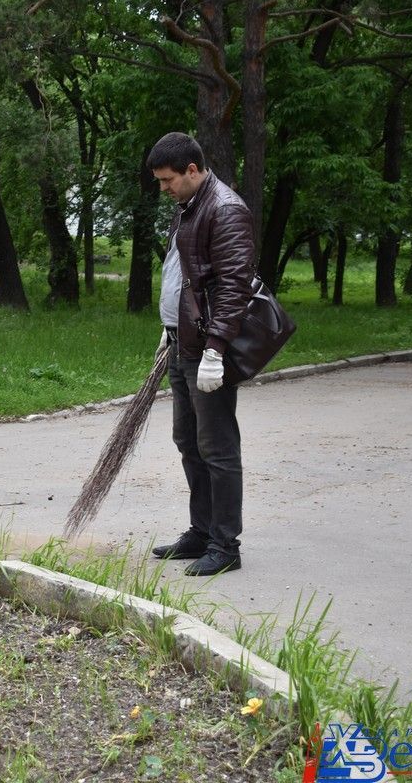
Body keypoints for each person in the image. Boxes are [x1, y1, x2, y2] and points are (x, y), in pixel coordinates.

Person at [147, 132, 256, 576]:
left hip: (206, 349)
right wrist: (168, 326)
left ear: (193, 170)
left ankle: (226, 544)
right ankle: (201, 530)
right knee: (188, 441)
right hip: (182, 341)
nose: (164, 188)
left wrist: (215, 349)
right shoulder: (187, 208)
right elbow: (184, 274)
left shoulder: (225, 210)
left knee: (217, 446)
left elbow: (234, 287)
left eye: (168, 179)